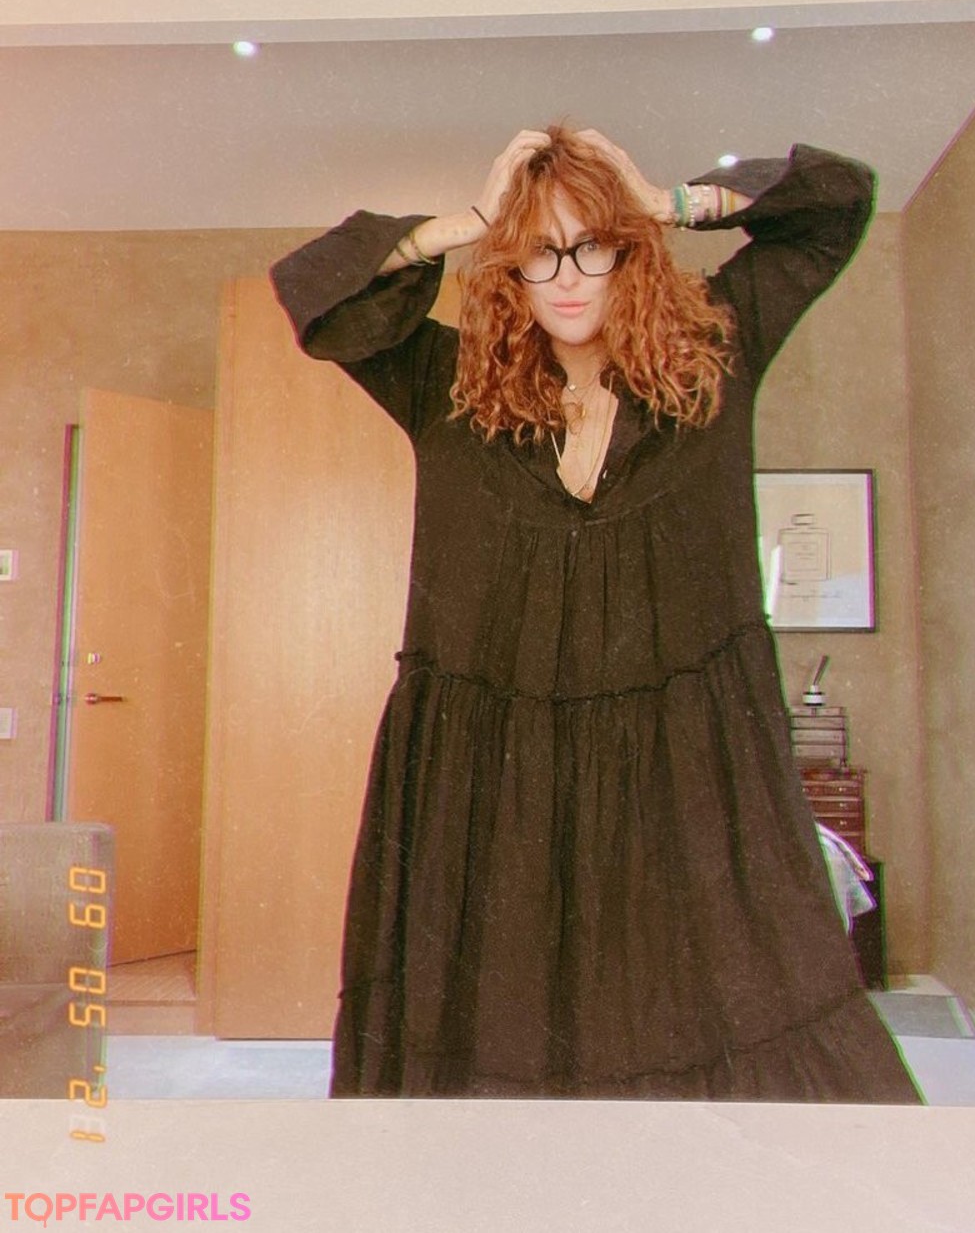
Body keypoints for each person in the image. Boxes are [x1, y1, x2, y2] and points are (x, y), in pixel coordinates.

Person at [270, 126, 921, 1103]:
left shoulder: (716, 355)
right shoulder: (444, 384)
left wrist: (664, 201)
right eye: (538, 251)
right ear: (509, 268)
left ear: (630, 252)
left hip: (686, 764)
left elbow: (835, 203)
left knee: (716, 1013)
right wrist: (474, 219)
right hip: (490, 780)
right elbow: (316, 291)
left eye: (593, 245)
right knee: (490, 1031)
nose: (568, 276)